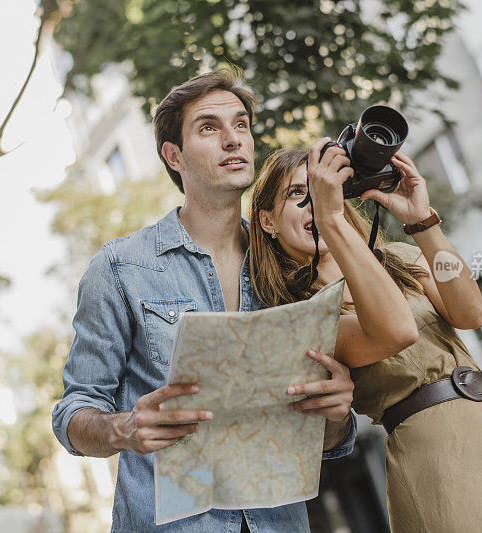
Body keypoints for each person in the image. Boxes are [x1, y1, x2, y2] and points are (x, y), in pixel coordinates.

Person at [51, 69, 358, 533]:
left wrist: (336, 414)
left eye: (241, 125)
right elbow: (73, 412)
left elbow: (329, 437)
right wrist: (123, 429)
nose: (233, 140)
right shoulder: (119, 268)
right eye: (209, 128)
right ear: (173, 156)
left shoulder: (290, 263)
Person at [249, 141, 482, 532]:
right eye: (298, 194)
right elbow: (398, 331)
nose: (315, 203)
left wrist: (422, 221)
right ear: (268, 222)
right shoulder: (304, 315)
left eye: (319, 189)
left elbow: (471, 311)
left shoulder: (399, 258)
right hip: (433, 451)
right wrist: (332, 219)